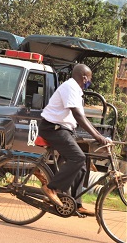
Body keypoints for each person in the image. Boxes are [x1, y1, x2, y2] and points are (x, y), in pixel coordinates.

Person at [39, 64, 110, 216]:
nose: (90, 81)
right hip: (53, 128)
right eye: (89, 78)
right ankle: (51, 188)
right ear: (84, 77)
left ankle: (76, 203)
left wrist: (98, 135)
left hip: (63, 129)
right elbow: (78, 115)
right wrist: (97, 136)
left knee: (82, 166)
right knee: (78, 158)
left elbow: (82, 118)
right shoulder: (70, 87)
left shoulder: (77, 91)